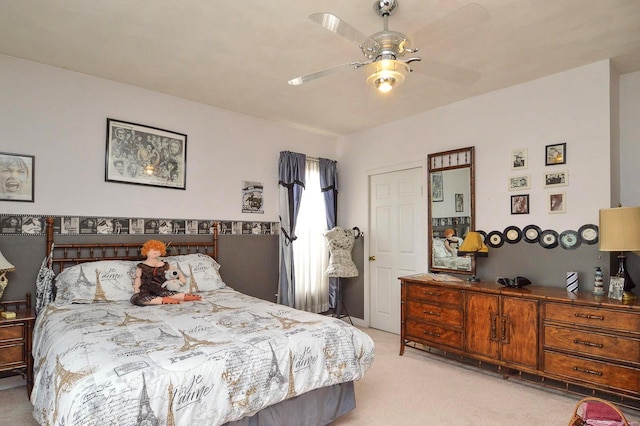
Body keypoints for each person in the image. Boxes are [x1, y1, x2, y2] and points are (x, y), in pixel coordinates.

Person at [130, 240, 202, 305]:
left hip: (160, 287)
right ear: (146, 251)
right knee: (138, 299)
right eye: (152, 250)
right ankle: (166, 300)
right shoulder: (142, 266)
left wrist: (181, 278)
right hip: (145, 289)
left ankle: (185, 297)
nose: (155, 252)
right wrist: (137, 289)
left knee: (167, 293)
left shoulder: (164, 264)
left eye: (158, 250)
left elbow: (176, 271)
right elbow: (138, 278)